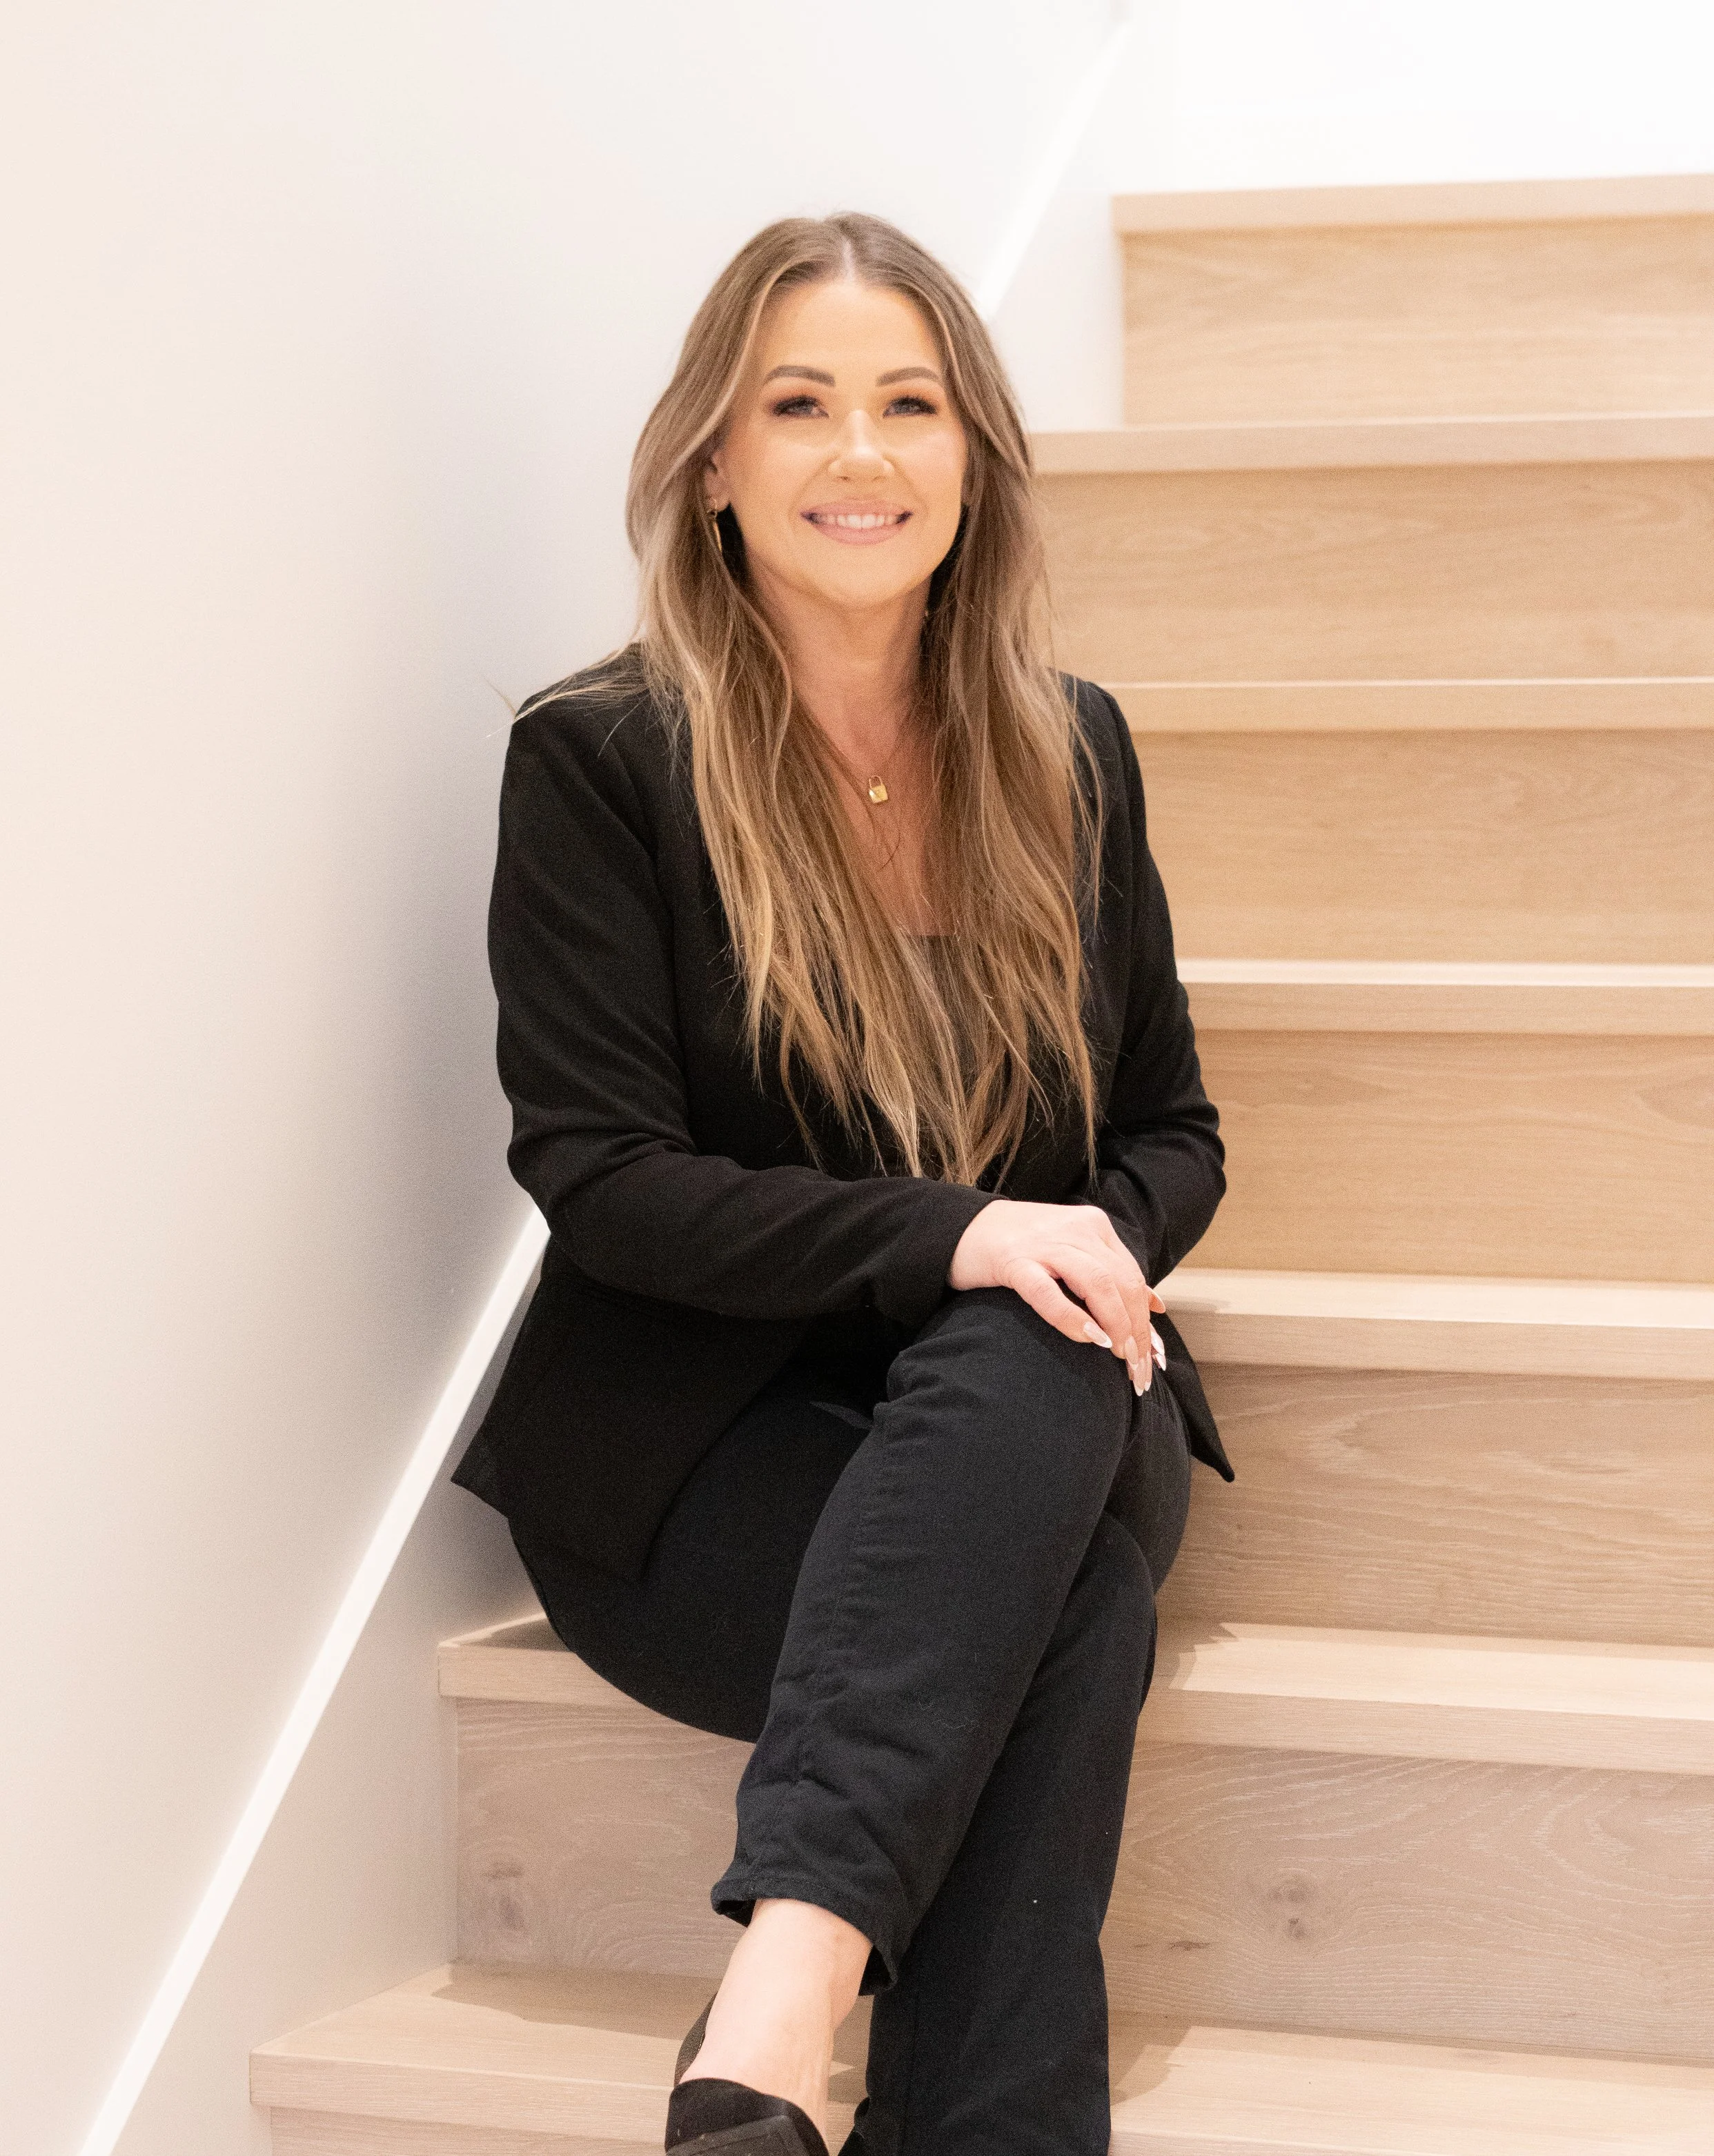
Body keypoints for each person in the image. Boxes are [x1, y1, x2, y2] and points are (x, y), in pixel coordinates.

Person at [451, 210, 1233, 2156]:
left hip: (1029, 1409)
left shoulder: (1068, 752)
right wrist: (965, 1231)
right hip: (702, 1459)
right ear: (713, 461)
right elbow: (602, 1174)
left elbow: (1170, 1134)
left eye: (910, 404)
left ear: (973, 459)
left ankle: (769, 2022)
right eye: (797, 405)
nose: (860, 454)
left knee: (1035, 1359)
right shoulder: (601, 759)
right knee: (1067, 1607)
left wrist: (1054, 1249)